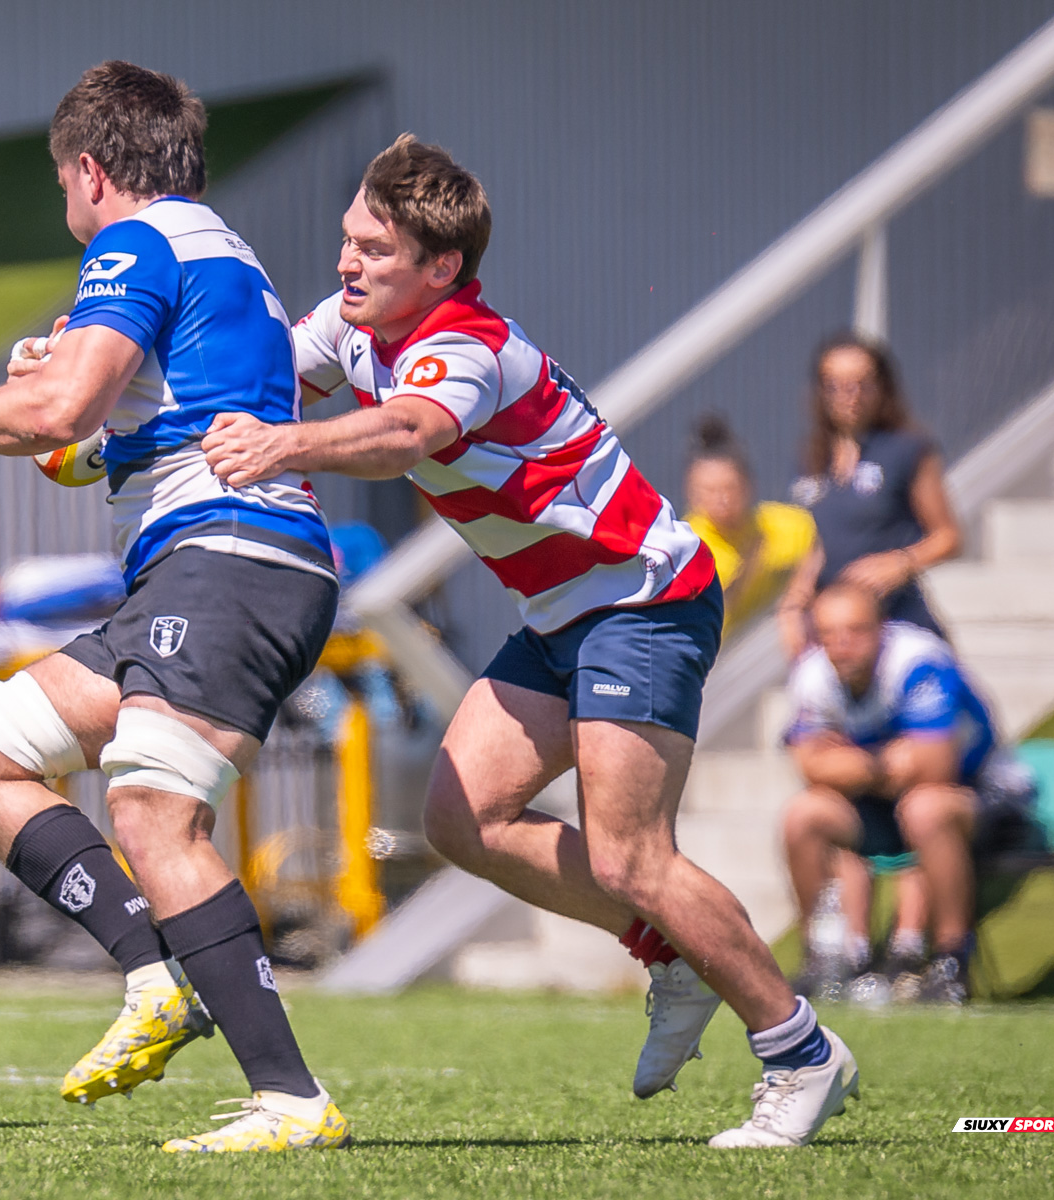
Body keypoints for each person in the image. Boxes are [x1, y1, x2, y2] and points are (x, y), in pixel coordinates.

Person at [198, 135, 859, 1148]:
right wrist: (104, 371)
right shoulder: (353, 323)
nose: (347, 264)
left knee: (638, 851)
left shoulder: (465, 347)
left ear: (443, 268)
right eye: (347, 242)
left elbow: (407, 435)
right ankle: (670, 954)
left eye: (375, 250)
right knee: (464, 819)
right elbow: (246, 374)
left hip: (643, 599)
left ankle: (802, 1051)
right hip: (560, 613)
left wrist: (284, 445)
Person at [0, 62, 350, 1153]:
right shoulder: (215, 248)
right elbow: (84, 446)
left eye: (61, 183)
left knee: (155, 813)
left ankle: (291, 1101)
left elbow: (54, 415)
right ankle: (154, 981)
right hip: (201, 566)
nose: (64, 205)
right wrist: (63, 390)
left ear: (90, 171)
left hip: (232, 557)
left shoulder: (137, 243)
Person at [781, 583, 1035, 1006]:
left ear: (884, 628)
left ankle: (950, 962)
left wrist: (849, 761)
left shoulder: (919, 659)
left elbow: (935, 767)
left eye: (856, 631)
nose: (842, 645)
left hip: (984, 797)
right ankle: (823, 963)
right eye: (829, 634)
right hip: (886, 805)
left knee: (925, 807)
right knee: (803, 814)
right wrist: (885, 764)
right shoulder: (811, 673)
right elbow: (810, 768)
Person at [778, 334, 960, 658]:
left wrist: (901, 562)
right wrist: (794, 603)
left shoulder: (906, 448)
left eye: (862, 383)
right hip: (834, 633)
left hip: (897, 624)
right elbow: (815, 544)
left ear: (882, 386)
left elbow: (949, 536)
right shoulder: (810, 459)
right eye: (836, 385)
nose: (851, 396)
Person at [682, 414, 815, 643]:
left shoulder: (788, 524)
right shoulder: (685, 545)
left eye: (729, 488)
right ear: (692, 494)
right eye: (709, 491)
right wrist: (750, 564)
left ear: (749, 485)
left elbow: (817, 549)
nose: (721, 499)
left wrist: (801, 583)